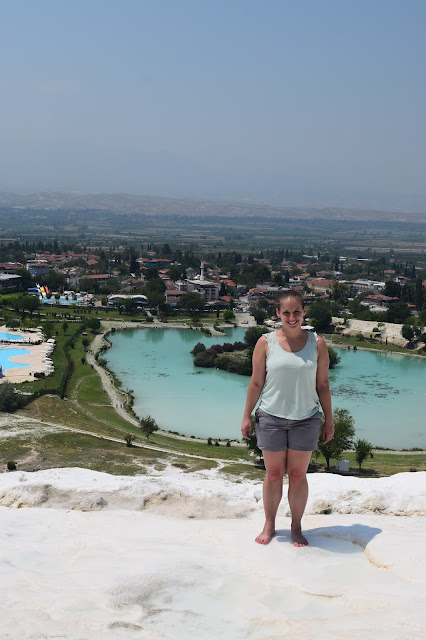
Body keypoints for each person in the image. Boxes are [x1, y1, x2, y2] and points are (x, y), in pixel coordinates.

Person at [241, 290, 334, 547]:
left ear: (304, 312)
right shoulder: (265, 343)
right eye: (286, 313)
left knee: (297, 475)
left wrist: (329, 420)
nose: (292, 317)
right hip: (271, 416)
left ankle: (296, 526)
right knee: (273, 474)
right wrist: (246, 415)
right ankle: (269, 524)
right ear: (278, 314)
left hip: (306, 418)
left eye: (296, 312)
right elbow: (256, 382)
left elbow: (323, 384)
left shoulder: (317, 344)